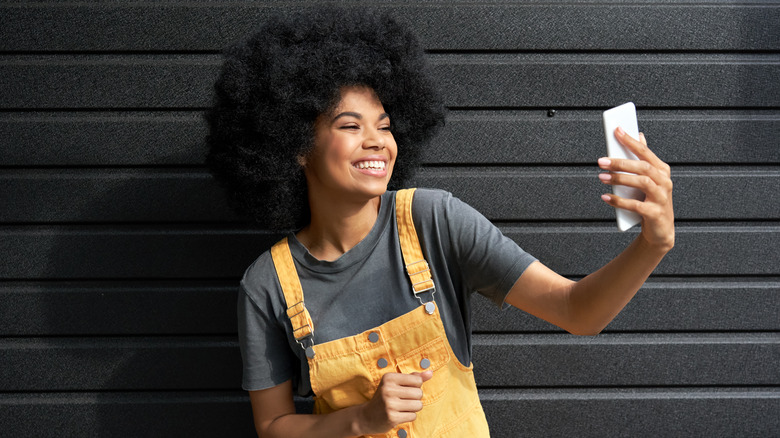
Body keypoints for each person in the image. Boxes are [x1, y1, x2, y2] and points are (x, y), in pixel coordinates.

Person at [205, 7, 674, 438]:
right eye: (350, 126)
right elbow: (271, 426)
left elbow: (578, 311)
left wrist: (652, 245)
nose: (377, 142)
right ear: (294, 146)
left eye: (385, 126)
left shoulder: (433, 221)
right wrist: (360, 420)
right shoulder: (267, 285)